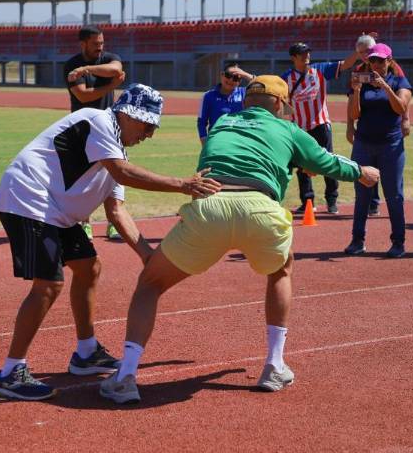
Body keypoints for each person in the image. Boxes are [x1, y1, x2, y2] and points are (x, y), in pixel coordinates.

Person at [98, 76, 380, 404]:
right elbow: (326, 162)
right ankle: (274, 365)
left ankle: (126, 376)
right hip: (260, 209)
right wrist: (361, 171)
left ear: (247, 101)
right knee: (280, 270)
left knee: (150, 284)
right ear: (279, 104)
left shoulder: (221, 122)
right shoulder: (287, 129)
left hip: (210, 207)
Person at [0, 83, 221, 401]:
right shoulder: (98, 121)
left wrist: (147, 254)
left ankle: (86, 353)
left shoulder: (115, 151)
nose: (149, 134)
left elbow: (116, 210)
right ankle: (10, 372)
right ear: (127, 115)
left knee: (88, 267)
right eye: (147, 124)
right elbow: (123, 174)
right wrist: (182, 185)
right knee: (48, 284)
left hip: (55, 211)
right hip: (28, 197)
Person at [344, 43, 413, 258]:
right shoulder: (361, 83)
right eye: (372, 60)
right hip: (364, 143)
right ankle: (357, 240)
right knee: (361, 194)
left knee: (394, 195)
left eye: (380, 61)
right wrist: (355, 92)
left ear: (389, 62)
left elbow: (400, 108)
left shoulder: (399, 81)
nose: (375, 64)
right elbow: (355, 114)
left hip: (390, 145)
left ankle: (398, 242)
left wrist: (385, 87)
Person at [282, 42, 361, 214]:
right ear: (293, 57)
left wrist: (357, 51)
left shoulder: (320, 70)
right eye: (302, 54)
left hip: (321, 124)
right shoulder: (286, 78)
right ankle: (308, 201)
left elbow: (345, 65)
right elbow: (280, 100)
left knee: (328, 162)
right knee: (302, 166)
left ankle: (332, 200)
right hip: (299, 128)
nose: (307, 56)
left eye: (308, 52)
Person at [64, 25, 126, 240]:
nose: (100, 48)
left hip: (110, 127)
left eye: (101, 43)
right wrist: (112, 86)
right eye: (95, 44)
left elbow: (116, 69)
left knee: (115, 174)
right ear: (83, 44)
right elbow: (83, 96)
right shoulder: (71, 65)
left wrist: (87, 70)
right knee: (83, 177)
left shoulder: (108, 57)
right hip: (82, 129)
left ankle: (114, 222)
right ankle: (84, 223)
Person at [197, 61, 254, 144]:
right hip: (216, 142)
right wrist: (205, 142)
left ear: (240, 81)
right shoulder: (208, 96)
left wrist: (245, 74)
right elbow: (201, 123)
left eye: (235, 78)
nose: (231, 80)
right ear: (222, 75)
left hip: (240, 143)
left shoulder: (246, 94)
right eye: (228, 75)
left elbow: (263, 84)